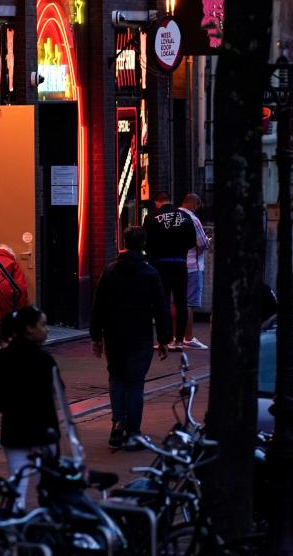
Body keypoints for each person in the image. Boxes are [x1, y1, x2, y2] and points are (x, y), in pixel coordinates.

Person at [90, 226, 171, 450]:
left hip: (114, 335)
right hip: (139, 335)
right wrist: (165, 338)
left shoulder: (111, 271)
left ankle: (117, 423)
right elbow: (161, 308)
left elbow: (99, 305)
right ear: (143, 244)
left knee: (116, 378)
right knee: (135, 383)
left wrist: (95, 335)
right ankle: (133, 431)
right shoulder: (150, 274)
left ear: (124, 244)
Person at [0, 306, 60, 509]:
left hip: (14, 430)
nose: (47, 330)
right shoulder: (44, 360)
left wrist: (11, 411)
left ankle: (15, 525)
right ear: (29, 329)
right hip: (43, 432)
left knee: (17, 485)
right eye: (43, 325)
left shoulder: (1, 358)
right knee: (49, 487)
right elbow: (56, 392)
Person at [141, 191, 196, 350]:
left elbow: (145, 241)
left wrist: (153, 254)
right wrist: (181, 251)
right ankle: (179, 340)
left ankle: (164, 340)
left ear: (157, 202)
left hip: (159, 264)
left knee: (162, 302)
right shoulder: (185, 217)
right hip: (180, 263)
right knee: (181, 302)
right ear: (170, 201)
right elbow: (192, 241)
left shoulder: (151, 218)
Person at [178, 194, 211, 349]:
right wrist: (209, 242)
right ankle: (188, 337)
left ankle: (174, 337)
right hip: (192, 265)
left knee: (175, 303)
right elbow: (202, 243)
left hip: (175, 265)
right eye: (197, 206)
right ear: (194, 204)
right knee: (189, 303)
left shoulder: (173, 216)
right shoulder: (193, 219)